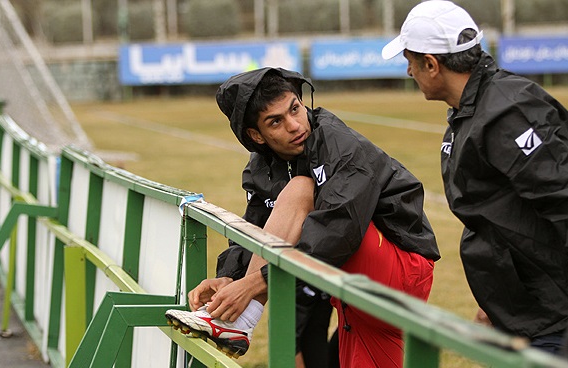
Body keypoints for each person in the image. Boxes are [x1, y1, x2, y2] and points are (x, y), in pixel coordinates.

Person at [166, 67, 440, 367]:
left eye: (295, 109)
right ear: (256, 135)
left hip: (400, 267)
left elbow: (338, 233)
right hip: (351, 285)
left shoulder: (340, 145)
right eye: (276, 122)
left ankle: (242, 321)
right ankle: (237, 319)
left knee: (300, 188)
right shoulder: (260, 167)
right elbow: (254, 230)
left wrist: (253, 285)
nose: (295, 125)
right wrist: (229, 277)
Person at [382, 0, 568, 355]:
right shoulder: (471, 110)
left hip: (553, 315)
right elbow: (497, 217)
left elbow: (562, 200)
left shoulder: (508, 111)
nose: (408, 72)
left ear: (432, 65)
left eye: (409, 61)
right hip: (524, 310)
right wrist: (497, 300)